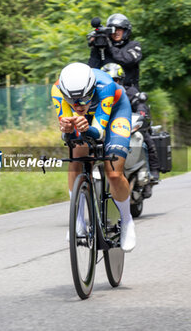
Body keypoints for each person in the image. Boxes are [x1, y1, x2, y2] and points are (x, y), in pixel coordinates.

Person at [51, 62, 136, 252]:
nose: (78, 104)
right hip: (85, 121)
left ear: (91, 89)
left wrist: (86, 127)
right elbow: (70, 134)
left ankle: (127, 219)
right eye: (72, 101)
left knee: (114, 172)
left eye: (83, 98)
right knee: (76, 159)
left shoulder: (106, 85)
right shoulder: (57, 90)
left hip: (115, 112)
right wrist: (67, 130)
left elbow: (97, 132)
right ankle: (78, 220)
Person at [88, 13, 160, 190]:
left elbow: (126, 60)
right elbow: (91, 69)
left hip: (130, 92)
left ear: (126, 31)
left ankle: (154, 170)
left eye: (120, 30)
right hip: (107, 93)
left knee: (143, 127)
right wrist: (96, 48)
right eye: (113, 30)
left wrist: (109, 45)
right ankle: (89, 170)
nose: (116, 33)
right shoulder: (103, 48)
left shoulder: (134, 46)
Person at [101, 62, 160, 198]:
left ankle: (152, 171)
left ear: (120, 80)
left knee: (145, 139)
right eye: (109, 80)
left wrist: (141, 115)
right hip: (108, 130)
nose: (112, 82)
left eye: (115, 79)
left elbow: (141, 106)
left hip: (132, 127)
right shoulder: (100, 94)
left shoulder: (131, 92)